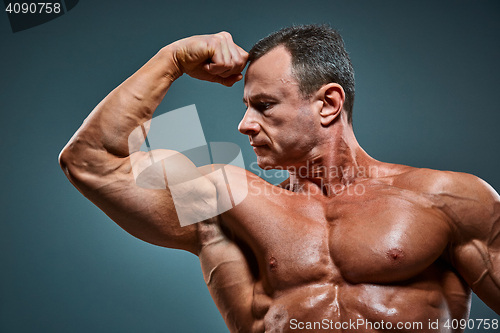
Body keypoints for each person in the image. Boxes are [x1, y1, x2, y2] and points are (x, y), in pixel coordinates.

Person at [59, 25, 499, 332]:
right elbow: (91, 161)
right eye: (245, 106)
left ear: (328, 104)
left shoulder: (448, 199)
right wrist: (172, 59)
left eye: (263, 105)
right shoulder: (228, 205)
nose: (244, 125)